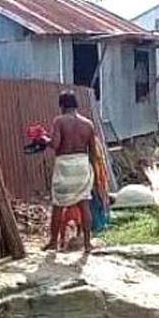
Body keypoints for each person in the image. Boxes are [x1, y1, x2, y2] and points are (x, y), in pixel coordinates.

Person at [45, 90, 96, 254]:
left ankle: (53, 242)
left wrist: (44, 139)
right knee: (84, 204)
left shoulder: (59, 121)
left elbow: (55, 144)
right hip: (82, 164)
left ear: (62, 105)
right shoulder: (88, 124)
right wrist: (92, 171)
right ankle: (87, 244)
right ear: (76, 105)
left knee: (58, 204)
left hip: (65, 166)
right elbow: (93, 152)